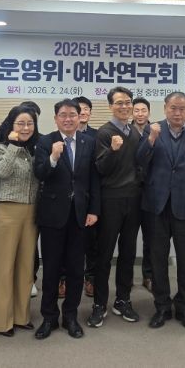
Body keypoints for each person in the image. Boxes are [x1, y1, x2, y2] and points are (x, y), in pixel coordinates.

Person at [137, 92, 185, 331]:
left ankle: (184, 308)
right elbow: (139, 161)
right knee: (158, 260)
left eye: (182, 109)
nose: (177, 113)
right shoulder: (152, 130)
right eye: (173, 108)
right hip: (156, 206)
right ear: (165, 108)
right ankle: (162, 307)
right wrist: (151, 139)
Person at [34, 99, 100, 340]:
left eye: (73, 114)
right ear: (56, 118)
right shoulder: (45, 141)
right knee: (51, 269)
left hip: (80, 215)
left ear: (79, 117)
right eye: (63, 114)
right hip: (52, 214)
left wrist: (94, 210)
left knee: (75, 269)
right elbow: (39, 173)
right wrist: (53, 157)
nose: (68, 118)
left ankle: (70, 316)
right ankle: (49, 317)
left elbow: (93, 179)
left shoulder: (88, 142)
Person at [88, 87, 142, 328]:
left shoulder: (135, 132)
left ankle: (123, 299)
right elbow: (101, 168)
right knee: (104, 254)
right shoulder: (104, 132)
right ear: (110, 106)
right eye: (119, 102)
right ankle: (99, 304)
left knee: (128, 253)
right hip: (111, 200)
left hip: (134, 200)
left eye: (128, 102)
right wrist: (113, 150)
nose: (124, 106)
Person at [0, 105, 40, 336]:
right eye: (20, 123)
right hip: (7, 211)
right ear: (11, 125)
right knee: (4, 268)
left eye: (30, 123)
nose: (26, 128)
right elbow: (2, 171)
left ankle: (21, 316)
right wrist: (13, 145)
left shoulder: (34, 149)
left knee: (26, 268)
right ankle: (2, 321)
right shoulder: (1, 148)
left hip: (31, 213)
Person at [72, 95, 98, 298]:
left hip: (90, 197)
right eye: (79, 109)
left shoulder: (98, 136)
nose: (83, 112)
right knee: (68, 244)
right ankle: (66, 279)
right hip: (69, 199)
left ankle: (90, 278)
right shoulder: (60, 136)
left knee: (92, 243)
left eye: (86, 108)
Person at [132, 97, 153, 292]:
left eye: (143, 110)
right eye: (136, 110)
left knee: (150, 237)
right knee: (128, 238)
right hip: (129, 191)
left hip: (150, 191)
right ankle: (126, 276)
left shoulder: (156, 131)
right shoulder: (124, 130)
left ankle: (148, 275)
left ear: (149, 112)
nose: (140, 114)